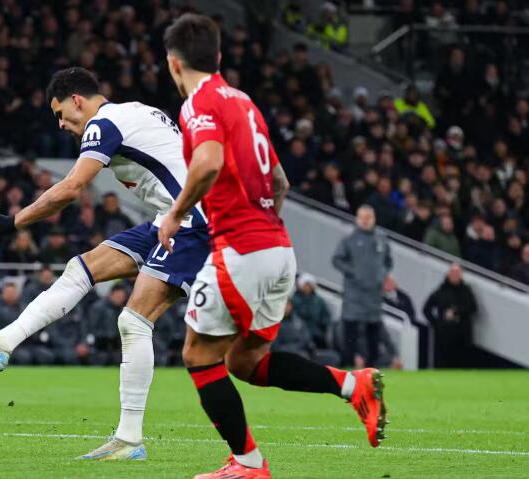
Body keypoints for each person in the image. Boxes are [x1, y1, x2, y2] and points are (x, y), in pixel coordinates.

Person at [0, 66, 212, 460]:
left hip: (193, 223)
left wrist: (14, 222)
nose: (63, 125)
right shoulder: (137, 112)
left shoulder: (104, 124)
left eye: (61, 114)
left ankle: (130, 440)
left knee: (133, 321)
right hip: (173, 218)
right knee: (80, 268)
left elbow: (71, 187)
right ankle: (2, 343)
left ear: (76, 100)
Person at [158, 14, 387, 479]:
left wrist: (176, 213)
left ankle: (247, 464)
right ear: (218, 57)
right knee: (245, 362)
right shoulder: (243, 101)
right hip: (277, 248)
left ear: (173, 64)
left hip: (241, 250)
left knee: (198, 355)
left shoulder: (198, 103)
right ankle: (352, 385)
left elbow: (207, 162)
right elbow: (279, 179)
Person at [332, 205, 393, 367]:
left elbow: (388, 261)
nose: (366, 221)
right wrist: (353, 272)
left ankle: (372, 371)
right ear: (357, 219)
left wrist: (382, 274)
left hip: (374, 296)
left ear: (374, 219)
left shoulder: (382, 239)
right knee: (350, 333)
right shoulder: (349, 239)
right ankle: (346, 369)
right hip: (354, 296)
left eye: (369, 217)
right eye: (362, 217)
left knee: (374, 334)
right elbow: (337, 260)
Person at [424, 263, 478, 368]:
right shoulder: (441, 291)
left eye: (457, 273)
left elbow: (473, 308)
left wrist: (457, 312)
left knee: (462, 367)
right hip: (445, 337)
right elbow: (426, 309)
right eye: (453, 273)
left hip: (462, 337)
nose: (455, 276)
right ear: (448, 274)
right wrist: (437, 324)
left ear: (461, 275)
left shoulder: (466, 291)